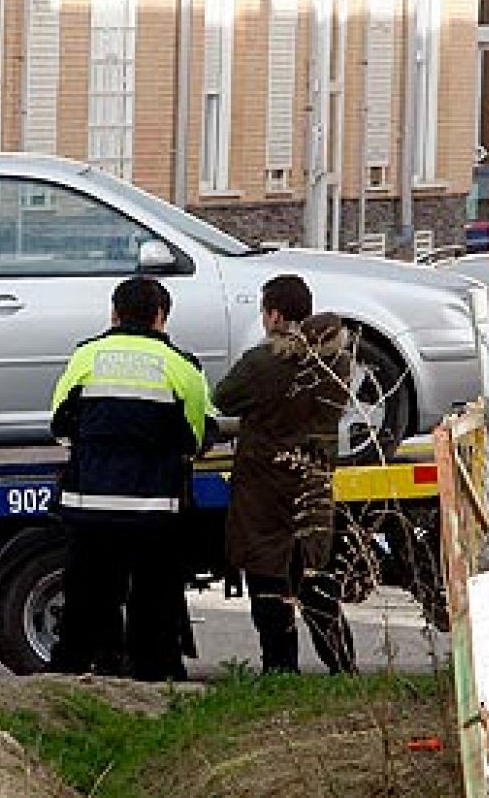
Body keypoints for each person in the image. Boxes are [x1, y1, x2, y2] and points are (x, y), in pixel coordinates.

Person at [46, 276, 211, 682]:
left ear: (114, 314)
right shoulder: (183, 366)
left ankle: (81, 672)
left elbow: (59, 425)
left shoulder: (85, 357)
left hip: (89, 507)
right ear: (161, 317)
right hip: (154, 510)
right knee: (154, 599)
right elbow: (196, 437)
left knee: (86, 598)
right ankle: (154, 678)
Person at [213, 274, 358, 675]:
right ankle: (343, 667)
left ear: (274, 315)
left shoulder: (264, 362)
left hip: (263, 486)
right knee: (316, 580)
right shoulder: (337, 362)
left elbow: (222, 398)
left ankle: (280, 670)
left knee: (267, 581)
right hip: (313, 480)